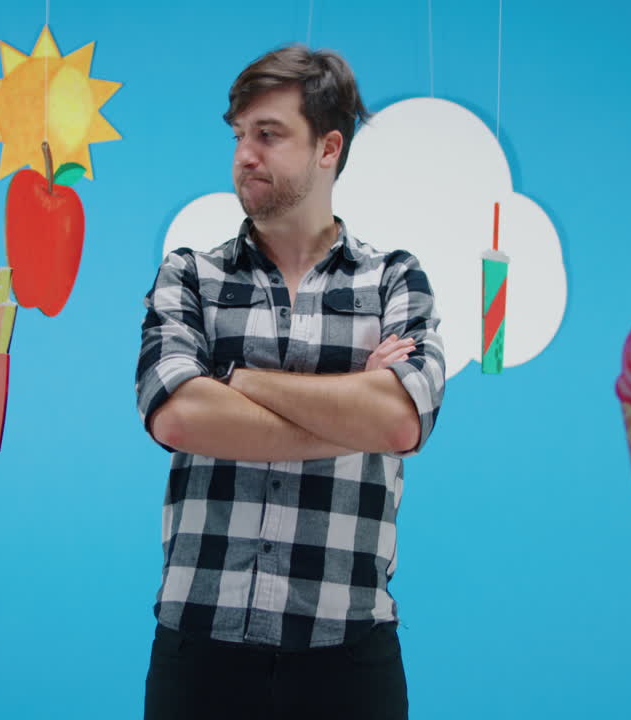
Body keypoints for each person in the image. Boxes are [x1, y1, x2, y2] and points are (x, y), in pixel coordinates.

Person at [135, 44, 445, 720]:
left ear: (328, 147)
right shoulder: (188, 275)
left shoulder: (396, 279)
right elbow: (180, 417)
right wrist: (350, 408)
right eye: (241, 135)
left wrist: (235, 377)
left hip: (348, 653)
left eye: (269, 134)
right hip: (200, 650)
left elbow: (399, 421)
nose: (245, 154)